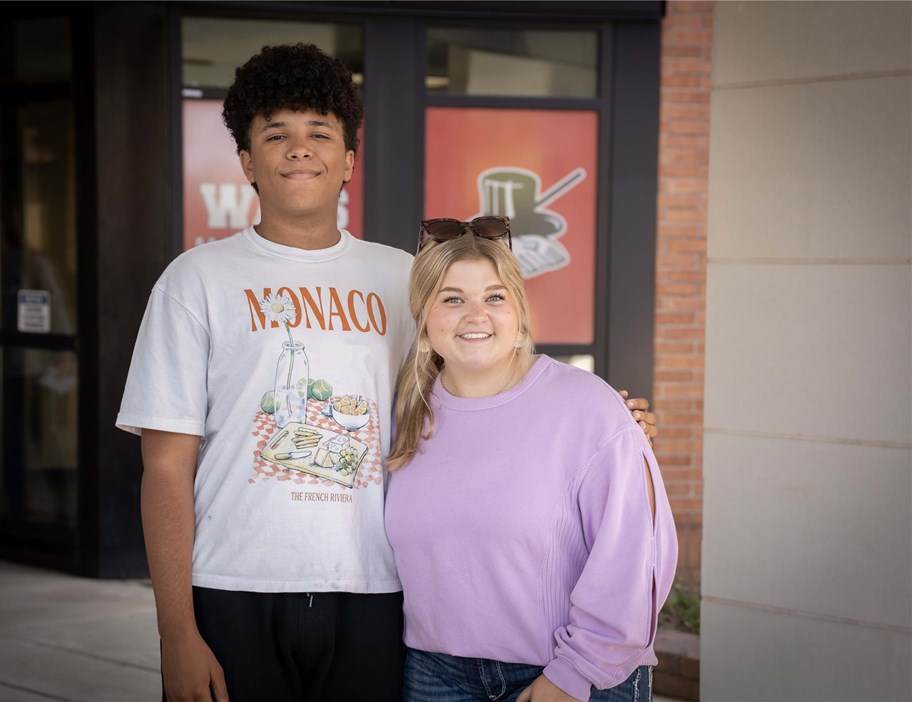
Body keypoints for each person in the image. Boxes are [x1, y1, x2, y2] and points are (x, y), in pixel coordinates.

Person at [118, 44, 658, 702]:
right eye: (275, 134)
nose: (298, 149)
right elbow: (167, 467)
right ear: (245, 160)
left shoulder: (401, 275)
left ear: (348, 160)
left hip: (375, 593)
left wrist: (601, 425)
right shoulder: (194, 281)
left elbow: (471, 386)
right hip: (232, 588)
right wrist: (176, 633)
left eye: (320, 132)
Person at [384, 218, 678, 702]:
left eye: (495, 297)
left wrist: (573, 674)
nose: (475, 314)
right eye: (452, 298)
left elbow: (637, 555)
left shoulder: (588, 406)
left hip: (569, 675)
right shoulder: (406, 412)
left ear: (519, 311)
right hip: (435, 676)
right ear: (423, 315)